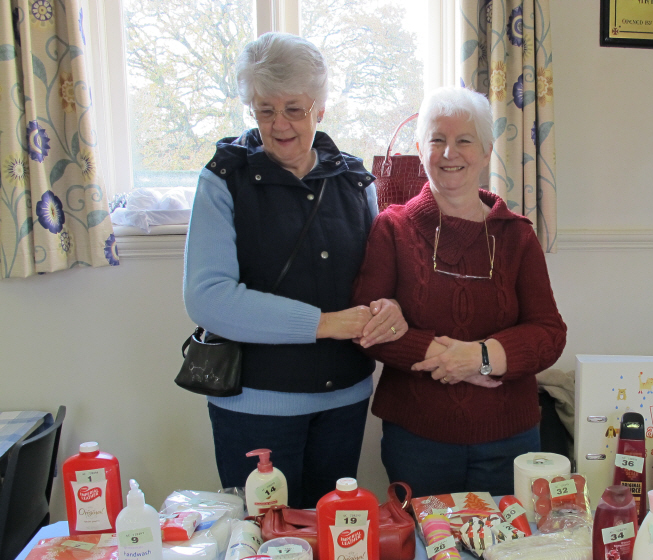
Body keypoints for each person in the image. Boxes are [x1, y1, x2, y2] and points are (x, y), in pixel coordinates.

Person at [183, 33, 406, 508]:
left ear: (320, 108)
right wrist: (323, 325)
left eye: (294, 109)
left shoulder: (355, 180)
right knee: (266, 554)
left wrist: (387, 305)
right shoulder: (223, 179)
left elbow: (376, 281)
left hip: (344, 402)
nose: (279, 124)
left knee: (335, 552)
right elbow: (208, 297)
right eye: (265, 110)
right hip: (253, 408)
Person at [351, 86, 567, 497]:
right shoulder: (392, 228)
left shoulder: (516, 235)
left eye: (464, 140)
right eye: (438, 140)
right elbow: (368, 329)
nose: (450, 153)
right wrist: (447, 357)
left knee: (505, 555)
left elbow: (549, 332)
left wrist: (480, 357)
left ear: (487, 151)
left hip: (511, 441)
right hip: (417, 439)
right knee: (425, 556)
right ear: (420, 147)